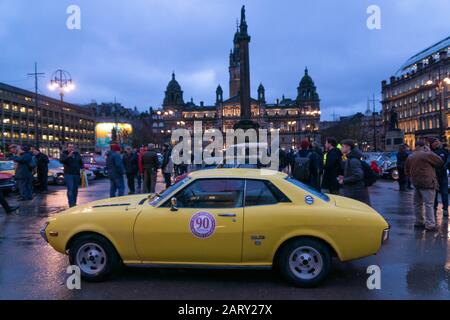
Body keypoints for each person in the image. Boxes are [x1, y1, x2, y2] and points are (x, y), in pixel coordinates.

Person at [405, 140, 443, 231]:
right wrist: (429, 151)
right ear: (423, 146)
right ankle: (430, 224)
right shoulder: (426, 154)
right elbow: (439, 161)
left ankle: (419, 221)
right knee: (429, 204)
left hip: (416, 183)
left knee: (417, 204)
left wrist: (412, 177)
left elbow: (406, 170)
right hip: (427, 182)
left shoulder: (411, 156)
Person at [338, 139, 371, 205]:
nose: (341, 148)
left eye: (342, 146)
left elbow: (358, 175)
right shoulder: (350, 158)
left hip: (355, 193)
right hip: (353, 192)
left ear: (348, 147)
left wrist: (344, 180)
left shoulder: (353, 160)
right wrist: (344, 177)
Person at [429, 138, 449, 217]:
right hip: (434, 175)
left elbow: (448, 161)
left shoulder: (444, 151)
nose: (437, 143)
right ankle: (434, 208)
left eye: (438, 142)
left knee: (444, 193)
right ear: (432, 144)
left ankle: (445, 209)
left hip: (443, 175)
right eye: (435, 142)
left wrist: (446, 166)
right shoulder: (430, 152)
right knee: (434, 194)